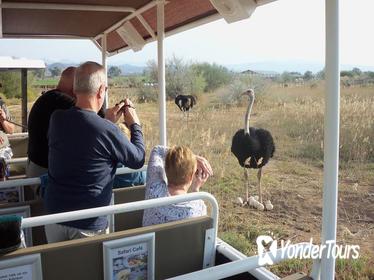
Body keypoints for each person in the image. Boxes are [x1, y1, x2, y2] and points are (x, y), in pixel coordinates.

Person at [44, 61, 145, 243]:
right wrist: (135, 125)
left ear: (75, 89)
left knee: (57, 270)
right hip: (88, 221)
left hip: (53, 217)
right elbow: (137, 159)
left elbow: (82, 132)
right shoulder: (106, 130)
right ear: (101, 91)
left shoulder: (56, 119)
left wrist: (105, 121)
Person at [142, 145, 213, 226]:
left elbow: (157, 150)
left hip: (150, 239)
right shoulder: (198, 207)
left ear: (166, 169)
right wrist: (195, 189)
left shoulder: (154, 189)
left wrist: (192, 157)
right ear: (191, 176)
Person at [26, 67, 76, 178]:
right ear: (75, 85)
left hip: (36, 166)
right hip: (43, 170)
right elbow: (92, 114)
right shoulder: (60, 100)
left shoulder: (50, 97)